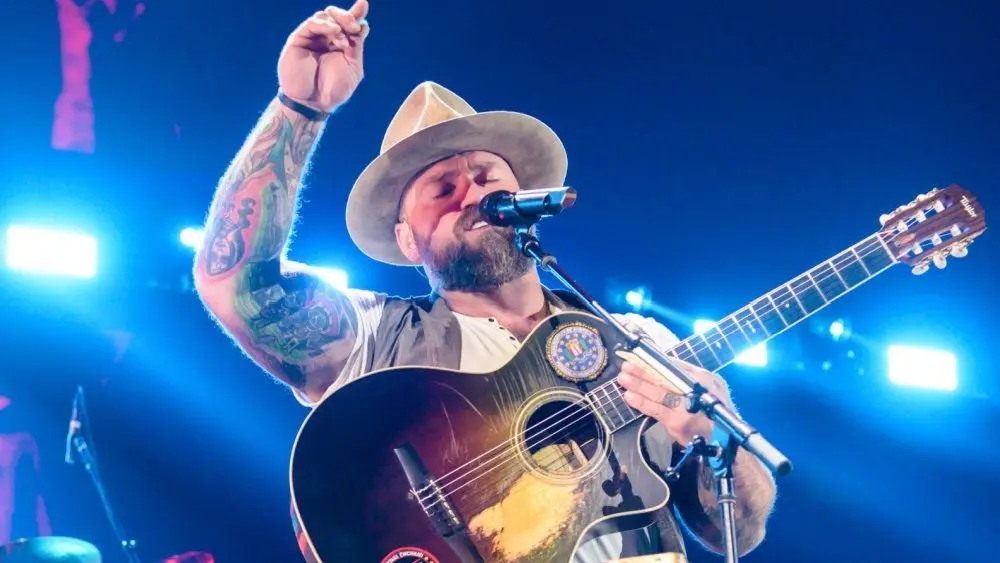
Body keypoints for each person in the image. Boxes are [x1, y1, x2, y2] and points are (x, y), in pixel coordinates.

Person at [192, 2, 777, 561]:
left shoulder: (637, 343)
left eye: (484, 176)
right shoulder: (378, 338)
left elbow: (740, 532)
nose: (471, 194)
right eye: (443, 190)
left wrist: (711, 430)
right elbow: (238, 287)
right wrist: (300, 108)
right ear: (405, 239)